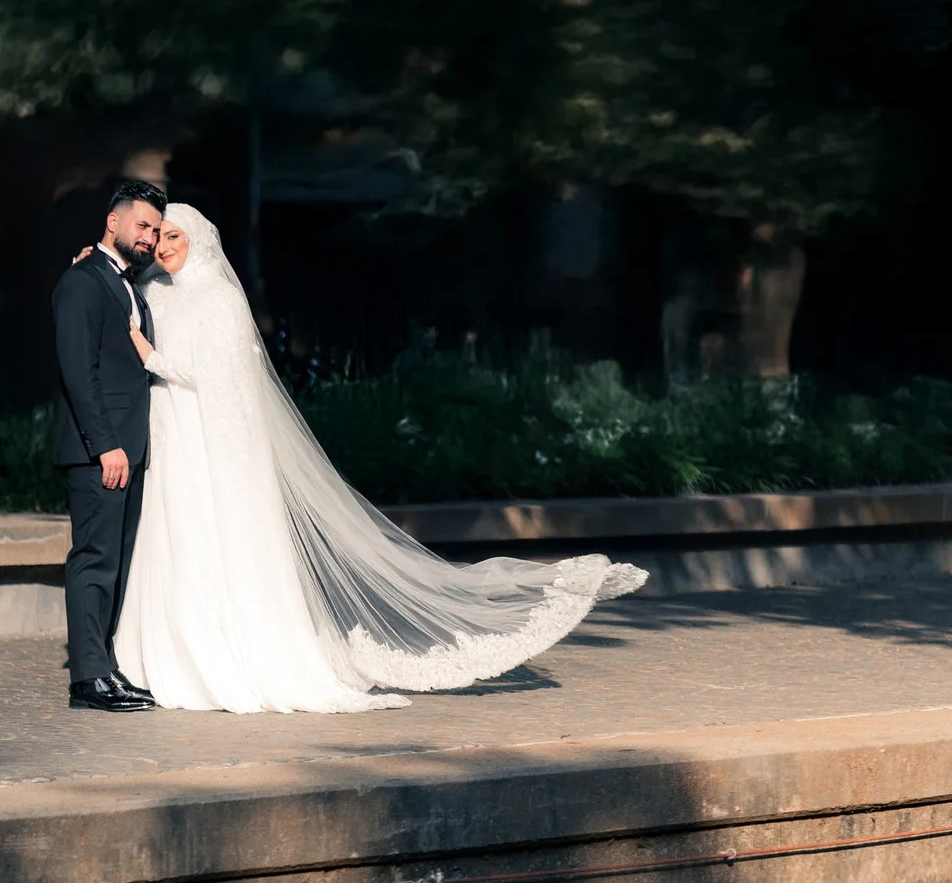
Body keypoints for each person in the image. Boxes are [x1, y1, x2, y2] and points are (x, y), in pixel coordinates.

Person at [108, 204, 644, 712]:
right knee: (178, 538)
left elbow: (220, 376)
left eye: (175, 236)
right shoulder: (156, 291)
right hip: (172, 438)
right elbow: (119, 293)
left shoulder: (220, 299)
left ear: (198, 241)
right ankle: (167, 657)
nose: (164, 247)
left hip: (210, 443)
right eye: (159, 237)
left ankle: (226, 658)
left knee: (219, 542)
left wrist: (151, 355)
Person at [48, 178, 169, 712]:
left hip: (128, 448)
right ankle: (88, 679)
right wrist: (105, 445)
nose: (148, 236)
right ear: (113, 222)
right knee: (93, 559)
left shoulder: (127, 285)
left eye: (156, 229)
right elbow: (79, 371)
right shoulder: (82, 282)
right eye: (142, 225)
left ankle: (107, 668)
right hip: (101, 450)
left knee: (116, 561)